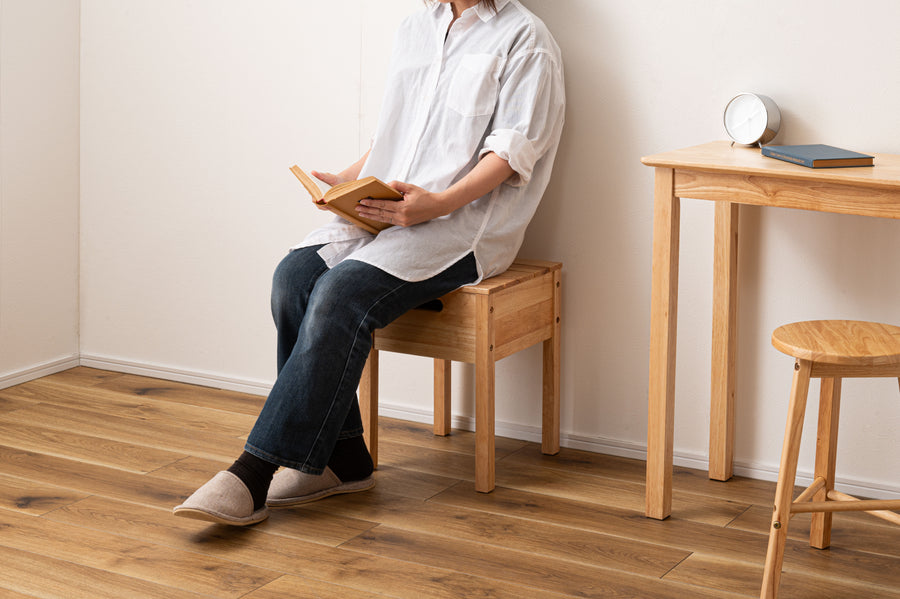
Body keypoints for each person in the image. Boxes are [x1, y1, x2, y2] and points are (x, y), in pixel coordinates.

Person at [174, 0, 565, 526]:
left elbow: (513, 153)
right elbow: (397, 135)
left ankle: (253, 472)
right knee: (293, 277)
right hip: (386, 209)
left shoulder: (527, 38)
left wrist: (437, 204)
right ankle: (344, 457)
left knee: (341, 293)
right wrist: (346, 179)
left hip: (463, 226)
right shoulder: (414, 27)